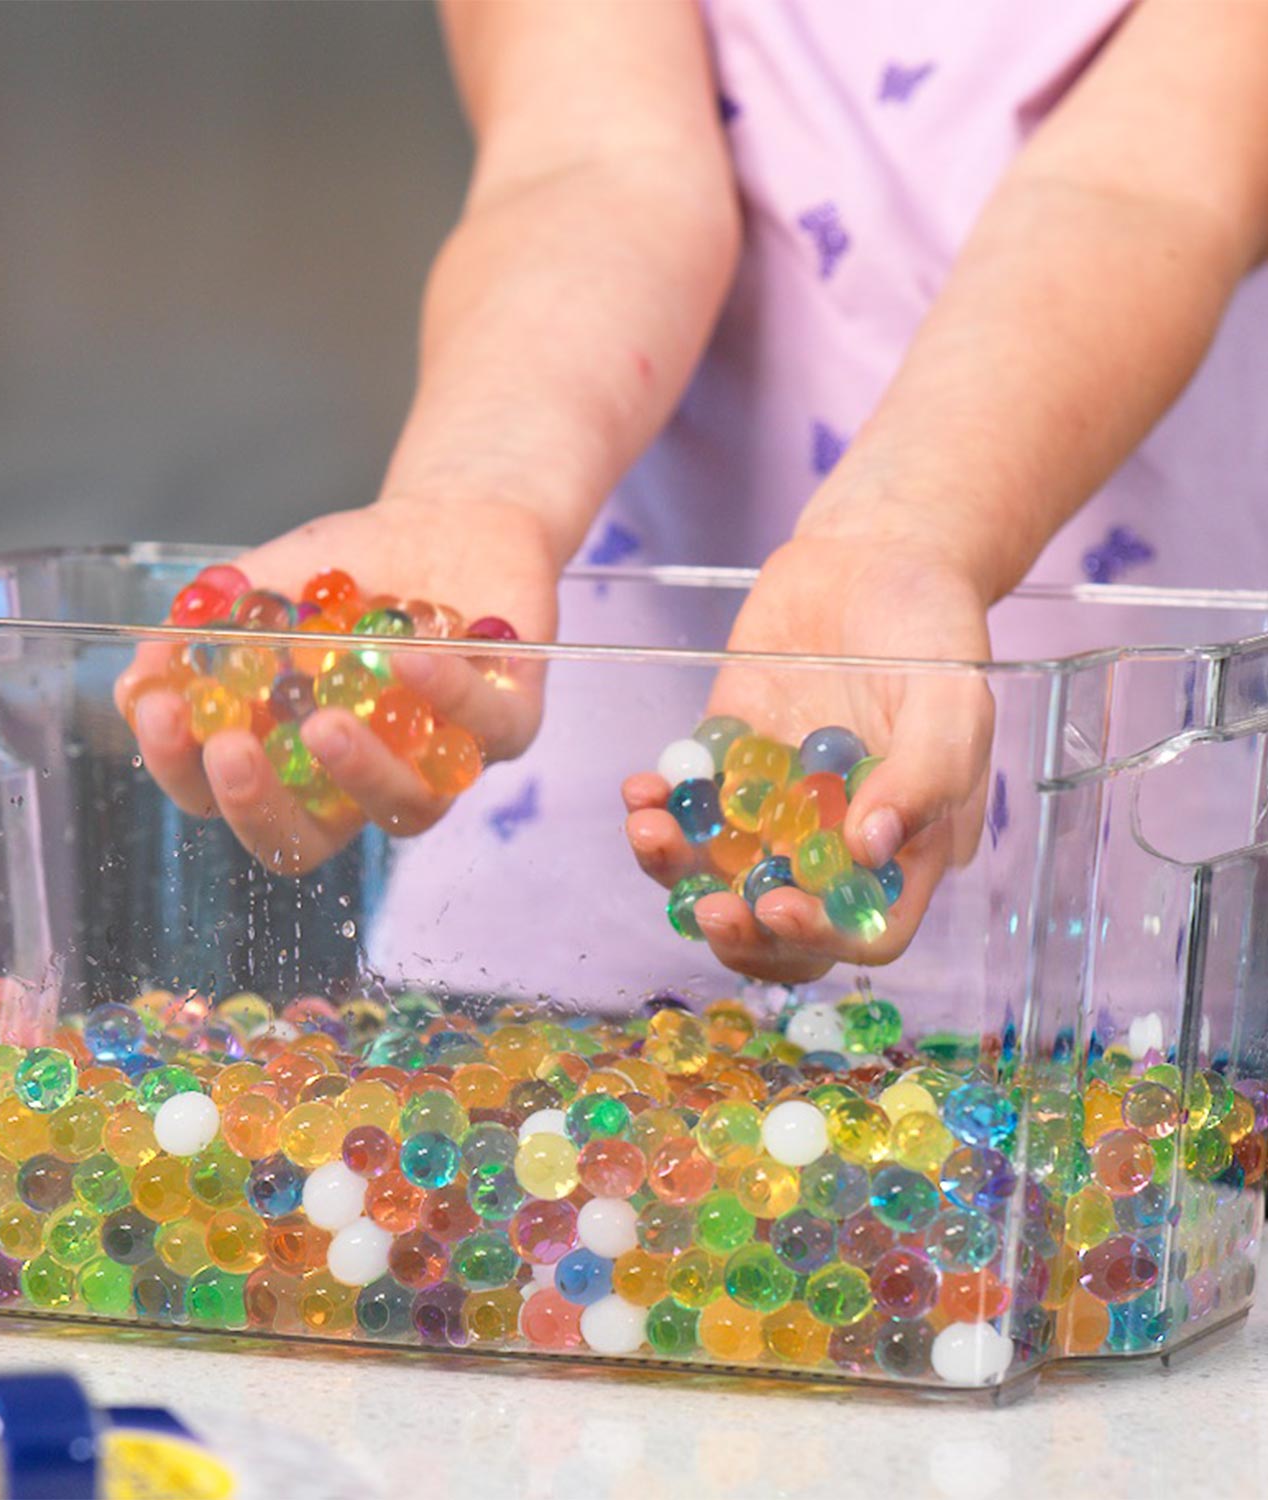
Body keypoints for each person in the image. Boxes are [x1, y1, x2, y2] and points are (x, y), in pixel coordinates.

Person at [119, 0, 1268, 993]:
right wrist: (473, 490)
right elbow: (594, 166)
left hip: (1090, 923)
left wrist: (897, 537)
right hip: (571, 900)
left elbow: (1146, 191)